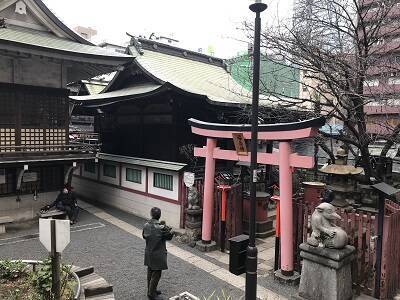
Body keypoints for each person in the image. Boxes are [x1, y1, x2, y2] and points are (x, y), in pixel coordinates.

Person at [142, 207, 174, 300]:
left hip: (149, 252)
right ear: (159, 216)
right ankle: (151, 294)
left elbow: (144, 236)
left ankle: (151, 290)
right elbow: (169, 236)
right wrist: (167, 227)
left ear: (151, 214)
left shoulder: (146, 225)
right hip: (158, 254)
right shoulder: (162, 228)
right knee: (156, 274)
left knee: (150, 272)